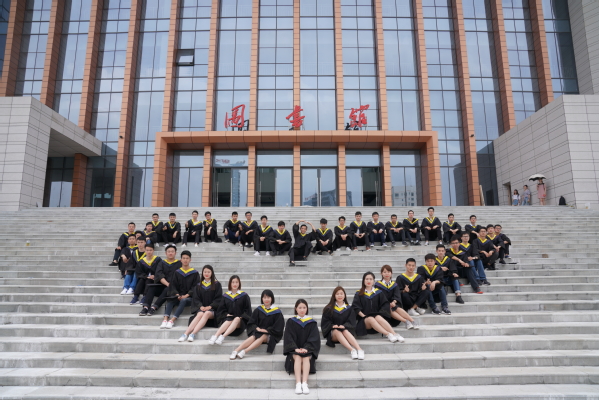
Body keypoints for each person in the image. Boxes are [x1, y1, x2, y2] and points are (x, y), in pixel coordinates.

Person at [230, 289, 284, 360]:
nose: (266, 299)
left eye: (268, 297)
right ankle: (236, 350)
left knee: (263, 336)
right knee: (254, 336)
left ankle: (244, 351)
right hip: (259, 332)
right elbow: (251, 322)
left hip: (271, 334)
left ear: (272, 298)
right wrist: (257, 328)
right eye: (264, 297)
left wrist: (267, 330)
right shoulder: (258, 310)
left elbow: (279, 326)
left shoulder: (277, 312)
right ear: (262, 299)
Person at [283, 299, 321, 395]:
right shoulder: (291, 321)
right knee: (298, 357)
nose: (302, 310)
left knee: (305, 357)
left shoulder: (312, 322)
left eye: (304, 307)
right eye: (300, 307)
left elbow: (314, 337)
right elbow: (288, 336)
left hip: (307, 350)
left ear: (307, 309)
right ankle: (298, 383)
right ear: (296, 309)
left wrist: (306, 348)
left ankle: (304, 383)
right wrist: (295, 348)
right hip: (294, 350)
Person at [351, 272, 401, 343]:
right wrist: (364, 316)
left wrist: (380, 314)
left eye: (370, 279)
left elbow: (385, 304)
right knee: (370, 318)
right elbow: (355, 307)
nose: (368, 281)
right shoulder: (359, 293)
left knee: (378, 317)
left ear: (373, 281)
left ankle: (394, 334)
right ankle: (388, 334)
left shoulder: (378, 293)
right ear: (363, 281)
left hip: (377, 322)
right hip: (364, 321)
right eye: (367, 279)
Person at [180, 265, 222, 342]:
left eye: (208, 272)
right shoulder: (199, 285)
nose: (206, 273)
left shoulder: (217, 284)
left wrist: (210, 306)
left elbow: (218, 299)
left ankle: (193, 334)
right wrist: (200, 306)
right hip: (201, 309)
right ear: (202, 273)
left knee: (207, 313)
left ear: (212, 273)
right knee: (200, 314)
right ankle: (185, 334)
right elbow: (196, 298)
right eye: (205, 272)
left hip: (213, 310)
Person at [321, 286, 364, 360]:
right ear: (334, 296)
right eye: (337, 294)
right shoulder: (328, 308)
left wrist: (344, 326)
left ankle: (359, 349)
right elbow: (325, 322)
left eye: (341, 294)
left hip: (346, 333)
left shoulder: (349, 309)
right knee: (337, 331)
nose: (339, 295)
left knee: (344, 330)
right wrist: (332, 326)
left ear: (344, 295)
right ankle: (352, 350)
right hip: (334, 334)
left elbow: (352, 321)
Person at [161, 250, 199, 329]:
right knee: (170, 300)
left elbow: (195, 287)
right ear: (181, 260)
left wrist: (187, 295)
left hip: (189, 298)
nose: (185, 260)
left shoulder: (195, 273)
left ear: (190, 260)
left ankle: (172, 320)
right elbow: (173, 285)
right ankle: (165, 320)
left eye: (187, 258)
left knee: (184, 300)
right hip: (178, 296)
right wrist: (177, 294)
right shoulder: (177, 272)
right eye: (183, 258)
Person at [209, 275, 252, 345]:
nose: (235, 284)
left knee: (236, 319)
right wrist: (226, 314)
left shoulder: (244, 296)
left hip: (240, 322)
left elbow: (248, 310)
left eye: (236, 282)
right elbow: (221, 310)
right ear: (230, 283)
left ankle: (222, 337)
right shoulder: (225, 296)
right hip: (228, 320)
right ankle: (215, 336)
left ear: (239, 283)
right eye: (233, 282)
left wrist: (241, 316)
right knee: (230, 319)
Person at [142, 244, 181, 316]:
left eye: (172, 251)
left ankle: (154, 307)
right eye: (169, 251)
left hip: (174, 289)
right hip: (163, 285)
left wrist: (170, 286)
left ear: (175, 253)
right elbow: (159, 275)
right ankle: (146, 307)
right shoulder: (162, 263)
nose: (170, 253)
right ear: (165, 253)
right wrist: (167, 284)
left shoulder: (179, 264)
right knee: (151, 288)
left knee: (168, 289)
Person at [375, 265, 418, 330]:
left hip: (394, 310)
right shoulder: (377, 285)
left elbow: (397, 295)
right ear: (381, 273)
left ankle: (412, 321)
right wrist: (387, 303)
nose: (387, 274)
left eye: (388, 272)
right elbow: (378, 298)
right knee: (388, 307)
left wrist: (394, 302)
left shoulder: (394, 285)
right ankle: (406, 321)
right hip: (384, 312)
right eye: (384, 272)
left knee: (395, 307)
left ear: (391, 273)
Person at [135, 243, 162, 315]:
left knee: (148, 281)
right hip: (145, 278)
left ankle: (145, 297)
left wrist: (155, 275)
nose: (149, 252)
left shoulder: (158, 259)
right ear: (144, 250)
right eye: (147, 250)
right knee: (142, 280)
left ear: (153, 250)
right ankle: (136, 296)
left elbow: (160, 270)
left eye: (150, 250)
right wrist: (146, 276)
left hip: (154, 279)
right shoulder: (142, 261)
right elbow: (139, 272)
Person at [127, 236, 147, 304]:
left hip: (145, 271)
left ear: (145, 243)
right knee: (128, 272)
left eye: (142, 242)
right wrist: (128, 269)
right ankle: (126, 287)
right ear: (136, 243)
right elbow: (131, 263)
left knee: (137, 273)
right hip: (136, 270)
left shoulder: (148, 252)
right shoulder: (134, 252)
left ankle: (132, 288)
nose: (140, 244)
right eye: (138, 242)